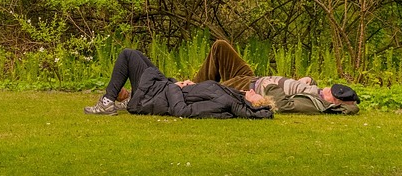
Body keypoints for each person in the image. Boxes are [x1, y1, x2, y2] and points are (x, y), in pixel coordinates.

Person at [178, 39, 361, 115]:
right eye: (331, 87)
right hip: (252, 77)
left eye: (332, 93)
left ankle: (187, 89)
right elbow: (307, 90)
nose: (327, 90)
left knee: (209, 87)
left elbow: (284, 105)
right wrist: (308, 81)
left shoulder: (316, 104)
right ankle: (193, 85)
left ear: (336, 102)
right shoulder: (319, 94)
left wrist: (272, 85)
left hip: (249, 87)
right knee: (220, 46)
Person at [83, 48, 275, 119]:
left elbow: (182, 110)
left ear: (253, 103)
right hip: (162, 90)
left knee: (127, 55)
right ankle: (128, 97)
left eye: (255, 95)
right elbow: (198, 93)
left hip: (154, 98)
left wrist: (175, 88)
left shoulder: (223, 103)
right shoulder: (232, 96)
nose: (251, 91)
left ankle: (107, 102)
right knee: (138, 55)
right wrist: (188, 84)